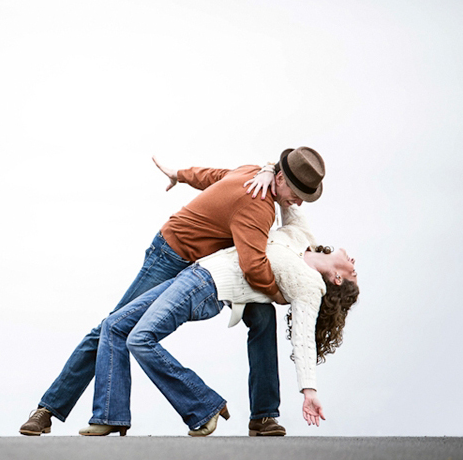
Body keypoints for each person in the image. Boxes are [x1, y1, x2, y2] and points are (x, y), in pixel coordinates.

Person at [19, 147, 326, 437]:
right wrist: (280, 294)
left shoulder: (252, 172)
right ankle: (49, 409)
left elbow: (212, 177)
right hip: (171, 256)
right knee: (113, 327)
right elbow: (254, 268)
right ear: (280, 179)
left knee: (263, 318)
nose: (298, 203)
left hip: (212, 266)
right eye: (297, 195)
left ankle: (264, 415)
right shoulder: (258, 206)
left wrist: (181, 174)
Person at [80, 205, 359, 437]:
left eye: (354, 273)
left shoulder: (309, 285)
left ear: (337, 279)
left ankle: (203, 406)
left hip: (208, 287)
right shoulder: (303, 235)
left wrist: (309, 390)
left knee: (140, 339)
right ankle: (110, 415)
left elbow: (303, 338)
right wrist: (266, 170)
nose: (354, 261)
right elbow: (289, 190)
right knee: (114, 324)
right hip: (196, 270)